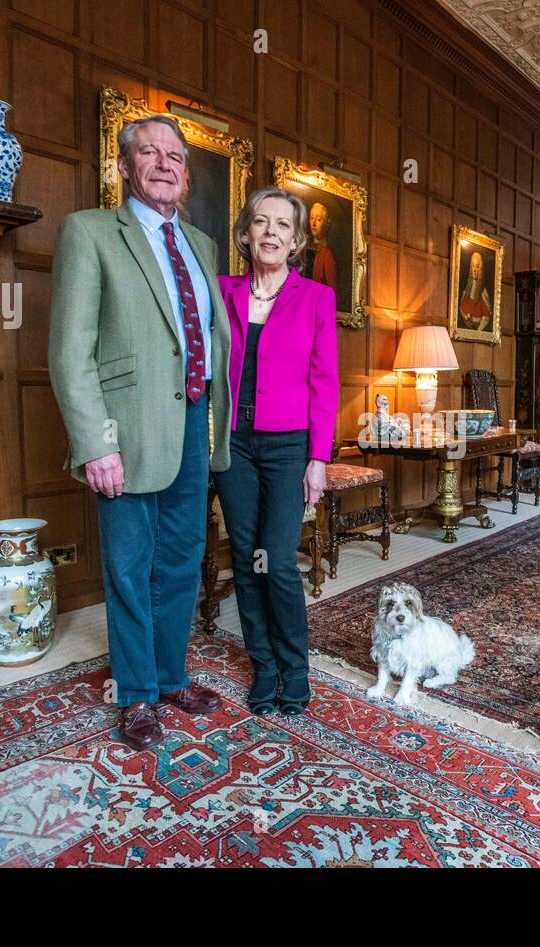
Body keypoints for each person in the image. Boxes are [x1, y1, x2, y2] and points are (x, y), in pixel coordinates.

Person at [48, 114, 232, 751]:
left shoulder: (203, 246)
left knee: (182, 560)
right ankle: (135, 695)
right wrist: (96, 444)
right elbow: (71, 351)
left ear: (185, 172)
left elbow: (204, 339)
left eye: (175, 156)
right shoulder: (91, 231)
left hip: (191, 425)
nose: (164, 164)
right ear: (123, 166)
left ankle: (170, 673)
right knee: (130, 567)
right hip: (123, 432)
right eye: (148, 153)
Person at [215, 187, 339, 716]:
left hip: (289, 447)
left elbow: (324, 381)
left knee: (279, 563)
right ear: (245, 234)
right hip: (233, 445)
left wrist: (318, 459)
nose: (270, 232)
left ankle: (296, 668)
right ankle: (263, 668)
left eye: (282, 225)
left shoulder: (315, 298)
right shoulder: (222, 291)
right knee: (246, 560)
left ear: (296, 241)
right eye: (260, 223)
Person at [305, 202, 337, 289]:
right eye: (312, 218)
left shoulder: (327, 254)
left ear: (325, 224)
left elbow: (331, 291)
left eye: (319, 219)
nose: (314, 223)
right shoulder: (304, 248)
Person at [459, 250, 492, 330]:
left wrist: (478, 331)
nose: (474, 269)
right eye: (473, 266)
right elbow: (462, 308)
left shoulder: (483, 292)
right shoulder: (467, 289)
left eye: (477, 266)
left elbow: (486, 316)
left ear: (480, 269)